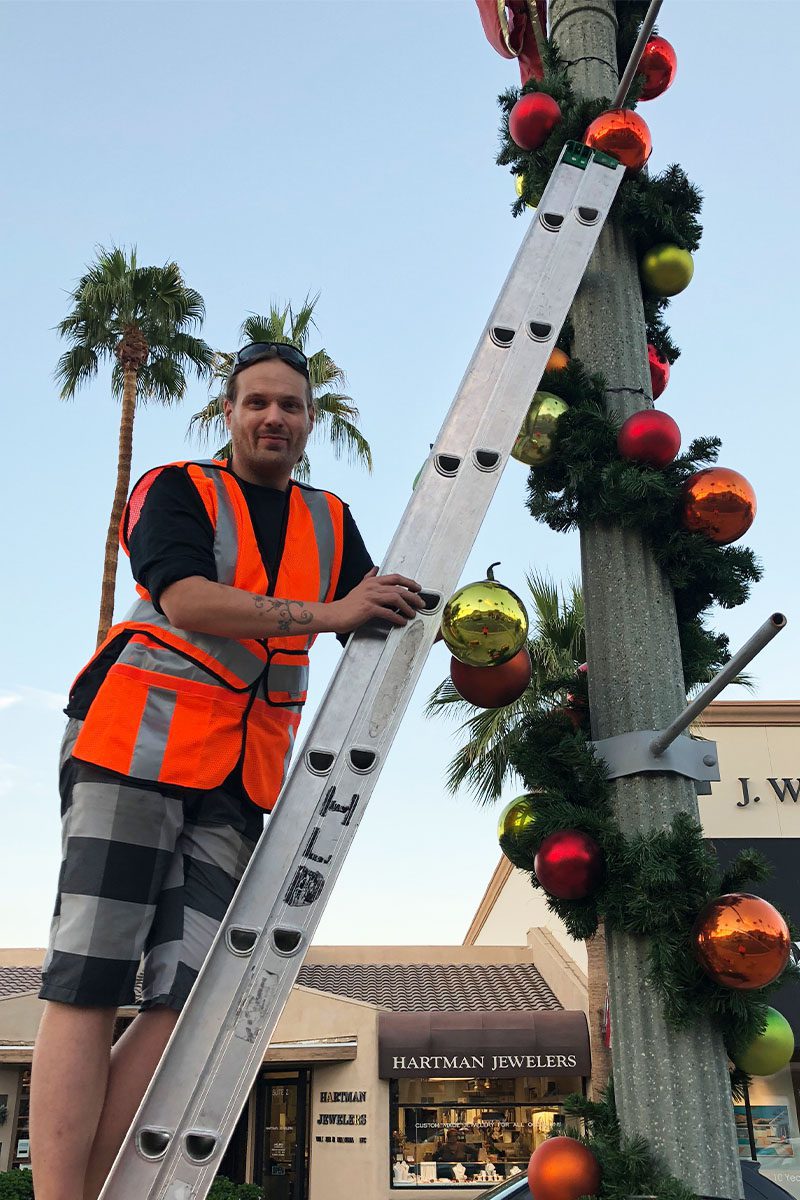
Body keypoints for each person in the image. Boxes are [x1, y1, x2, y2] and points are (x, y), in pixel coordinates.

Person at [30, 342, 425, 1200]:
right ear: (229, 414)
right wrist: (331, 611)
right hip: (132, 748)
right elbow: (188, 601)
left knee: (185, 998)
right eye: (256, 403)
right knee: (90, 977)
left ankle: (99, 1190)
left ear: (310, 421)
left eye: (289, 405)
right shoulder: (177, 488)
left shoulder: (329, 520)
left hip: (242, 779)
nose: (273, 418)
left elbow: (380, 613)